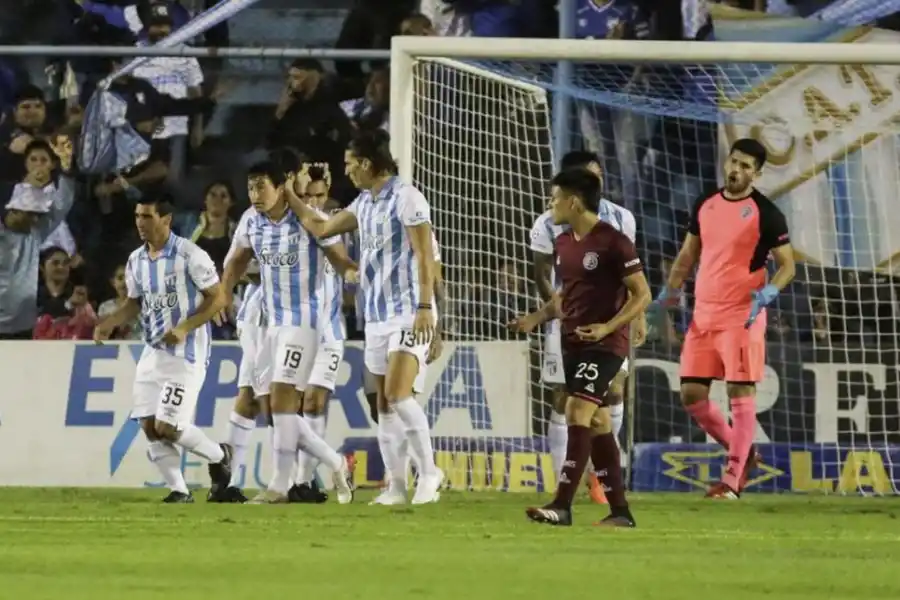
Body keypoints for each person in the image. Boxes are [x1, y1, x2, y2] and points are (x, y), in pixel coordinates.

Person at [286, 130, 444, 505]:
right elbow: (323, 227)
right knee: (383, 405)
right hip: (375, 316)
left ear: (368, 164)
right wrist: (290, 194)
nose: (347, 171)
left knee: (399, 395)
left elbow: (426, 257)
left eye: (350, 164)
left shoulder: (407, 198)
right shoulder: (364, 203)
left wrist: (426, 307)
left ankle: (430, 473)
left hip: (408, 311)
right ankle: (397, 486)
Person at [652, 137, 796, 499]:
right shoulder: (706, 203)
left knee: (739, 390)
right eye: (734, 162)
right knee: (691, 393)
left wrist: (768, 294)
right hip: (703, 313)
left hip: (741, 315)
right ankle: (744, 453)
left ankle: (731, 481)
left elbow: (788, 266)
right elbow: (687, 256)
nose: (737, 170)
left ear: (757, 173)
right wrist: (668, 295)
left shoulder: (767, 213)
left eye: (746, 166)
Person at [509, 169, 650, 527]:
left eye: (555, 197)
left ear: (573, 201)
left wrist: (609, 326)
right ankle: (620, 512)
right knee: (599, 422)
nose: (550, 204)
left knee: (576, 411)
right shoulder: (565, 243)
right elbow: (565, 299)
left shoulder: (614, 242)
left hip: (606, 345)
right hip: (573, 343)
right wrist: (535, 318)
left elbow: (642, 293)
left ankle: (562, 505)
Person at [220, 160, 356, 505]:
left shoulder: (309, 220)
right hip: (271, 323)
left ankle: (280, 487)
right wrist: (222, 294)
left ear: (281, 186)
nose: (254, 195)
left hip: (304, 322)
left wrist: (351, 272)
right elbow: (236, 260)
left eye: (261, 186)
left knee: (283, 399)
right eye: (250, 188)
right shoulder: (252, 221)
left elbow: (338, 257)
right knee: (271, 407)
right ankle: (335, 462)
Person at [93, 196, 233, 504]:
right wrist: (110, 323)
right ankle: (180, 491)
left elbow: (219, 298)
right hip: (152, 350)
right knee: (148, 425)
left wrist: (185, 327)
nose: (140, 222)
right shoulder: (135, 260)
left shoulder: (190, 254)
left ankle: (218, 455)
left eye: (147, 216)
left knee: (168, 426)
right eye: (137, 216)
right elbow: (134, 303)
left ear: (166, 219)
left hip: (187, 353)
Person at [0, 137, 74, 340]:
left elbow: (62, 204)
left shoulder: (35, 232)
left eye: (44, 160)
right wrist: (29, 186)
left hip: (21, 322)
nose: (38, 166)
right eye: (33, 159)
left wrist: (67, 169)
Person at [210, 258, 270, 504]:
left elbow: (265, 270)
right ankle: (227, 483)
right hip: (255, 318)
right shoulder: (251, 223)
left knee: (277, 405)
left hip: (278, 320)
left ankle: (296, 481)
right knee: (247, 402)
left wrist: (230, 278)